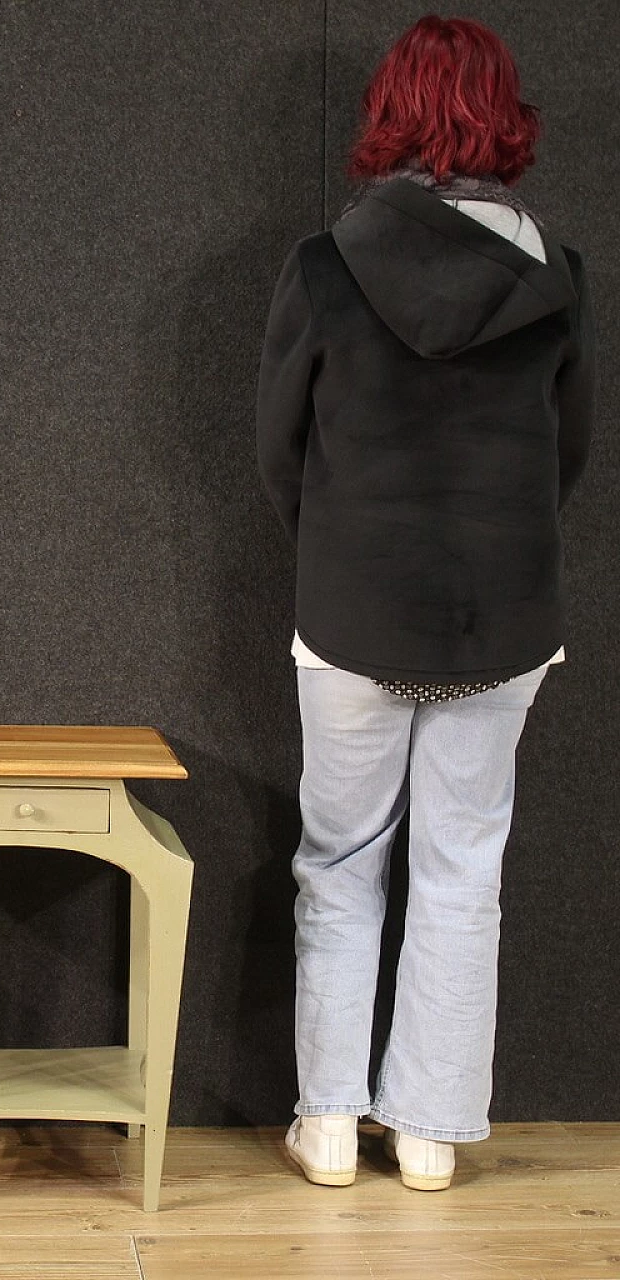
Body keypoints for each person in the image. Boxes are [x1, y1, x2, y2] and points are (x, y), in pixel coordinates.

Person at [256, 15, 595, 1191]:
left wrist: (341, 553)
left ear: (390, 110)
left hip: (349, 608)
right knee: (462, 868)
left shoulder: (324, 264)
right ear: (502, 116)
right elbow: (569, 455)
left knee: (339, 862)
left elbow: (277, 449)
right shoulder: (555, 275)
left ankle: (329, 1122)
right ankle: (430, 1133)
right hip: (502, 615)